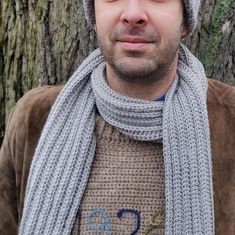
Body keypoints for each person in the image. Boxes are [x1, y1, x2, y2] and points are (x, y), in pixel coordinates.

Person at [0, 0, 235, 234]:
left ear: (186, 20)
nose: (133, 14)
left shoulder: (229, 120)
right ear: (94, 14)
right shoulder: (33, 118)